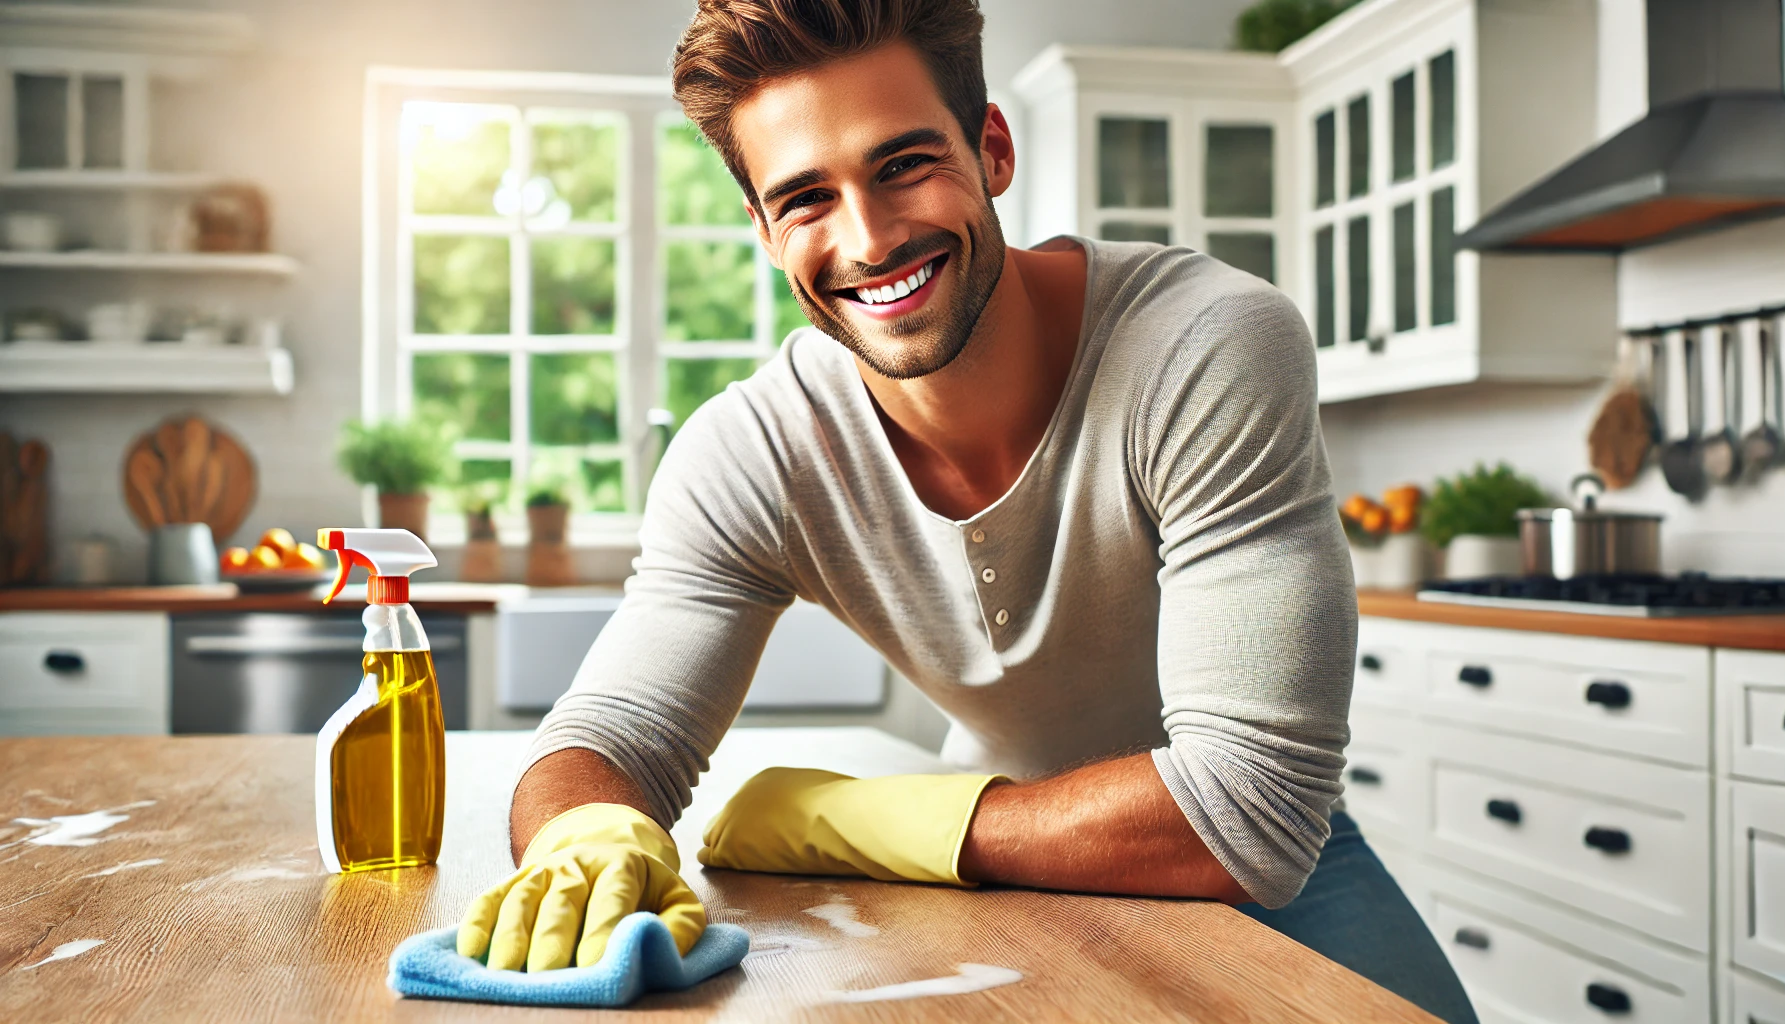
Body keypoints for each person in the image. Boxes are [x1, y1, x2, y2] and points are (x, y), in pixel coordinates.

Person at [454, 2, 1475, 1021]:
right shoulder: (750, 452)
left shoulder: (1202, 344)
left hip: (1234, 847)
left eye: (902, 164)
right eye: (806, 197)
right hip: (987, 849)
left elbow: (1248, 809)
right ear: (763, 232)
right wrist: (584, 832)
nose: (868, 237)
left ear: (991, 149)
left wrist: (854, 821)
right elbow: (609, 736)